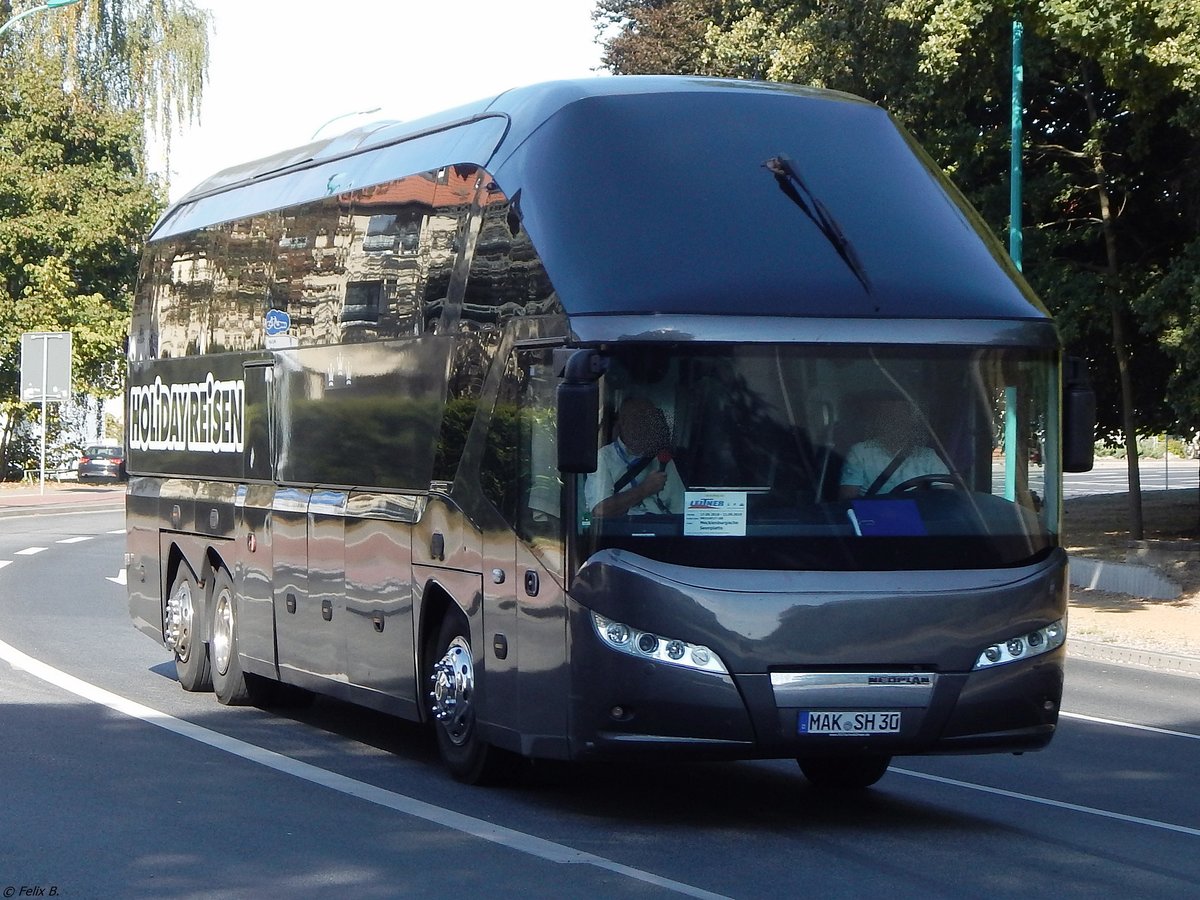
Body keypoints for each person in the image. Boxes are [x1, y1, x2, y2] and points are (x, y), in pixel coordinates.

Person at [585, 397, 686, 517]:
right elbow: (600, 511)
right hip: (617, 533)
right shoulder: (603, 458)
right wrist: (645, 489)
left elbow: (682, 511)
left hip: (660, 531)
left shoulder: (663, 460)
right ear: (622, 423)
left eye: (647, 421)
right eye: (636, 419)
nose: (641, 427)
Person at [839, 396, 949, 498]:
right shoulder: (860, 452)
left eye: (903, 418)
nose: (897, 423)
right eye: (891, 418)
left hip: (918, 515)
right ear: (880, 422)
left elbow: (947, 495)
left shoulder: (928, 456)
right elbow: (849, 499)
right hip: (875, 514)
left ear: (911, 424)